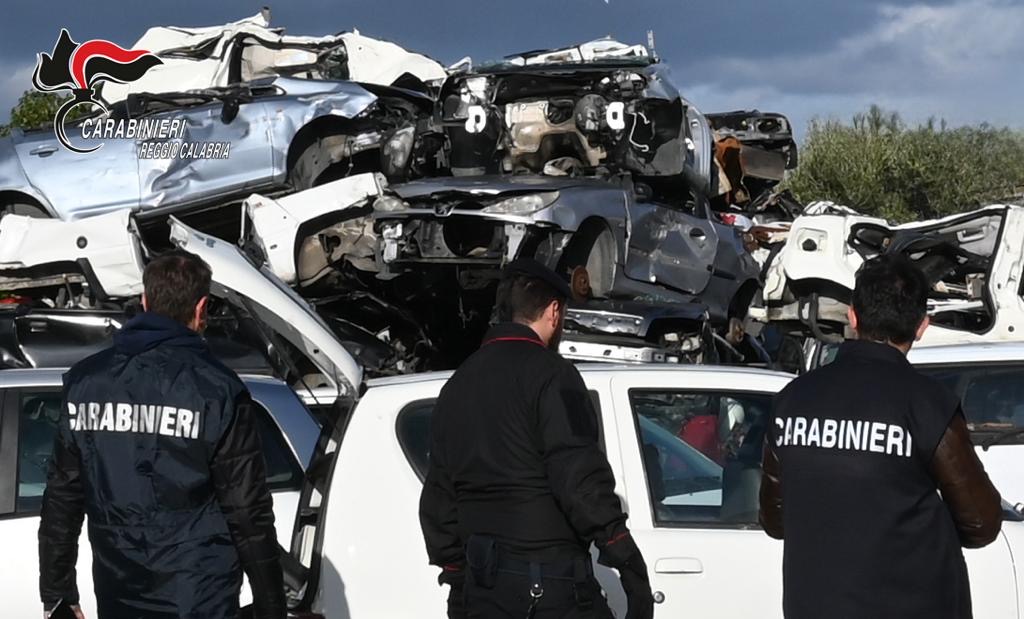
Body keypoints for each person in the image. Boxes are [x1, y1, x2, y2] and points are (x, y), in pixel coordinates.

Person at [38, 250, 285, 619]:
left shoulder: (86, 382)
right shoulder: (218, 389)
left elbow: (62, 498)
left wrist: (57, 594)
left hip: (119, 589)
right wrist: (271, 605)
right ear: (202, 309)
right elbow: (248, 511)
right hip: (201, 595)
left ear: (144, 301)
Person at [759, 253, 1002, 619]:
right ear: (922, 325)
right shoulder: (927, 404)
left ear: (853, 316)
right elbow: (981, 522)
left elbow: (775, 519)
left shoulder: (793, 398)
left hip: (813, 605)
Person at [419, 259, 654, 619]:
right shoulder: (554, 375)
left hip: (483, 590)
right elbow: (577, 476)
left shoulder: (457, 385)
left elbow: (440, 494)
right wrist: (623, 552)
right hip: (549, 587)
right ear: (554, 311)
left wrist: (455, 575)